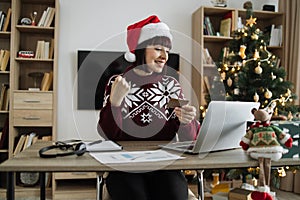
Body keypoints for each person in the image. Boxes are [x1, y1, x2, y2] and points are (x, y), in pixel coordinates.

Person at [97, 15, 199, 200]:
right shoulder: (118, 83)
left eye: (167, 50)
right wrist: (115, 103)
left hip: (165, 165)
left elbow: (189, 139)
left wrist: (186, 121)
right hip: (124, 166)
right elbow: (108, 135)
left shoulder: (171, 85)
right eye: (158, 49)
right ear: (140, 50)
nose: (164, 56)